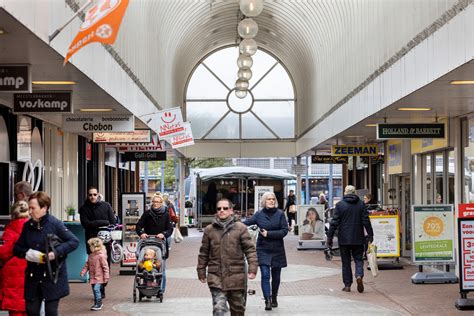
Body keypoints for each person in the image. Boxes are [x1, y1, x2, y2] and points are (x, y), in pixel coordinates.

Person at [13, 191, 79, 315]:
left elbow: (73, 241)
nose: (30, 211)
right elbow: (17, 249)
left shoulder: (55, 224)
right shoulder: (27, 226)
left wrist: (55, 253)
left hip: (52, 276)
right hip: (33, 276)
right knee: (31, 311)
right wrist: (28, 254)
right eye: (29, 208)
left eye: (33, 208)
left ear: (44, 208)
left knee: (50, 311)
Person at [197, 198, 258, 316]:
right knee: (219, 309)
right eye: (219, 208)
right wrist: (201, 271)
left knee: (238, 310)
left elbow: (250, 250)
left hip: (236, 277)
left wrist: (252, 268)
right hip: (216, 276)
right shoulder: (209, 230)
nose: (222, 211)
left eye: (225, 208)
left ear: (231, 210)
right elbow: (203, 252)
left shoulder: (240, 228)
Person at [244, 191, 288, 311]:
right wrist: (232, 222)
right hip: (263, 248)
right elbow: (246, 222)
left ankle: (274, 297)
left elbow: (284, 231)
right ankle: (267, 300)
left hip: (277, 248)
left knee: (276, 276)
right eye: (268, 199)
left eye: (273, 199)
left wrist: (269, 234)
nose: (271, 201)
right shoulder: (259, 214)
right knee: (265, 274)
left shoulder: (280, 214)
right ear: (264, 201)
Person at [327, 185, 374, 293]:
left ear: (345, 193)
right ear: (355, 193)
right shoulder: (361, 205)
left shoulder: (339, 205)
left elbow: (334, 223)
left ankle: (347, 285)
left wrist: (329, 237)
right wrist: (371, 235)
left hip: (344, 239)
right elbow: (366, 221)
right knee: (358, 259)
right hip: (358, 237)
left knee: (346, 262)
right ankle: (358, 275)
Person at [79, 186, 116, 299]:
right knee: (93, 266)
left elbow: (113, 221)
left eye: (94, 194)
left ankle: (102, 286)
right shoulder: (84, 208)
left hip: (105, 241)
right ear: (87, 195)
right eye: (90, 195)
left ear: (98, 194)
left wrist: (95, 223)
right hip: (91, 242)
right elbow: (85, 224)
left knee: (105, 265)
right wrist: (102, 222)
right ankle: (97, 290)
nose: (92, 197)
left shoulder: (106, 206)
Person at [135, 194, 173, 293]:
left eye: (158, 202)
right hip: (148, 242)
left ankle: (161, 289)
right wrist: (142, 233)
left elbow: (170, 229)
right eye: (154, 202)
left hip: (160, 243)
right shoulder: (147, 214)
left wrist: (163, 234)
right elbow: (138, 226)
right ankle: (145, 286)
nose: (156, 204)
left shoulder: (166, 214)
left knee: (161, 268)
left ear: (161, 203)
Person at [0, 201, 29, 315]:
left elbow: (3, 252)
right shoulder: (33, 228)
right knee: (29, 305)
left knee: (15, 307)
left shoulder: (10, 230)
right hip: (30, 268)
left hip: (13, 271)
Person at [80, 237, 109, 311]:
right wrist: (83, 272)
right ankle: (97, 303)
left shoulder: (101, 256)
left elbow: (105, 267)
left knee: (96, 289)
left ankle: (98, 304)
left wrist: (106, 277)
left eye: (90, 246)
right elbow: (87, 265)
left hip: (99, 276)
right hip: (92, 276)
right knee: (94, 290)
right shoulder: (91, 256)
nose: (89, 248)